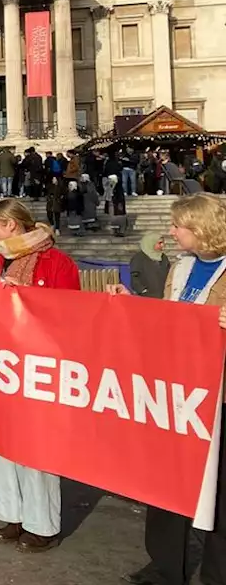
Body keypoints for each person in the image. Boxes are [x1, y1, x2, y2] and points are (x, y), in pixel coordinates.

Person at [110, 194, 226, 585]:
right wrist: (131, 305)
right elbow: (165, 318)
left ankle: (216, 572)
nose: (171, 232)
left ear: (201, 228)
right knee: (165, 484)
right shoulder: (180, 267)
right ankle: (164, 567)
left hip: (218, 397)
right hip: (175, 392)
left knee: (220, 493)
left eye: (178, 226)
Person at [0, 199, 80, 553]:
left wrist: (24, 298)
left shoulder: (56, 262)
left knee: (36, 446)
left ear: (11, 225)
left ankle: (42, 523)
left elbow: (68, 314)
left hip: (37, 362)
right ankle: (12, 513)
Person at [129, 233, 170, 298]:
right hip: (146, 297)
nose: (163, 245)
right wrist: (143, 290)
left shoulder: (163, 257)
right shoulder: (139, 258)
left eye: (163, 243)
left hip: (162, 296)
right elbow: (134, 277)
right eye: (159, 243)